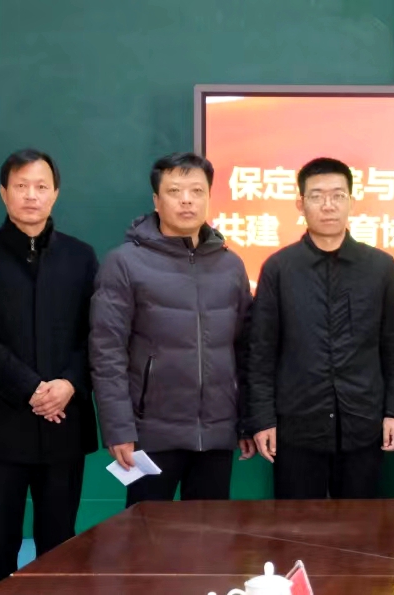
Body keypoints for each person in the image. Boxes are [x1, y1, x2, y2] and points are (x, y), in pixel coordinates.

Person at [0, 149, 99, 591]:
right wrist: (32, 389)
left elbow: (95, 334)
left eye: (41, 186)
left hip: (64, 427)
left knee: (60, 547)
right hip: (2, 429)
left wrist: (69, 383)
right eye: (21, 186)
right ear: (4, 193)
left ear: (55, 193)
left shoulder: (81, 257)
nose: (31, 195)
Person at [90, 152, 254, 507]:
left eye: (197, 191)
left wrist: (245, 421)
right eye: (175, 191)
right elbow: (107, 352)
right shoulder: (124, 263)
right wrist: (119, 428)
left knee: (209, 534)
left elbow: (245, 350)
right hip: (150, 435)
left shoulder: (231, 265)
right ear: (156, 200)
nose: (186, 200)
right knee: (146, 533)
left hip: (216, 433)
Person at [246, 157, 394, 499]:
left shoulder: (380, 267)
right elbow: (261, 352)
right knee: (297, 525)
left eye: (338, 195)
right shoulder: (279, 268)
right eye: (317, 196)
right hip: (296, 427)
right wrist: (263, 419)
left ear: (352, 202)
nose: (328, 205)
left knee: (359, 525)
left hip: (364, 425)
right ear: (300, 203)